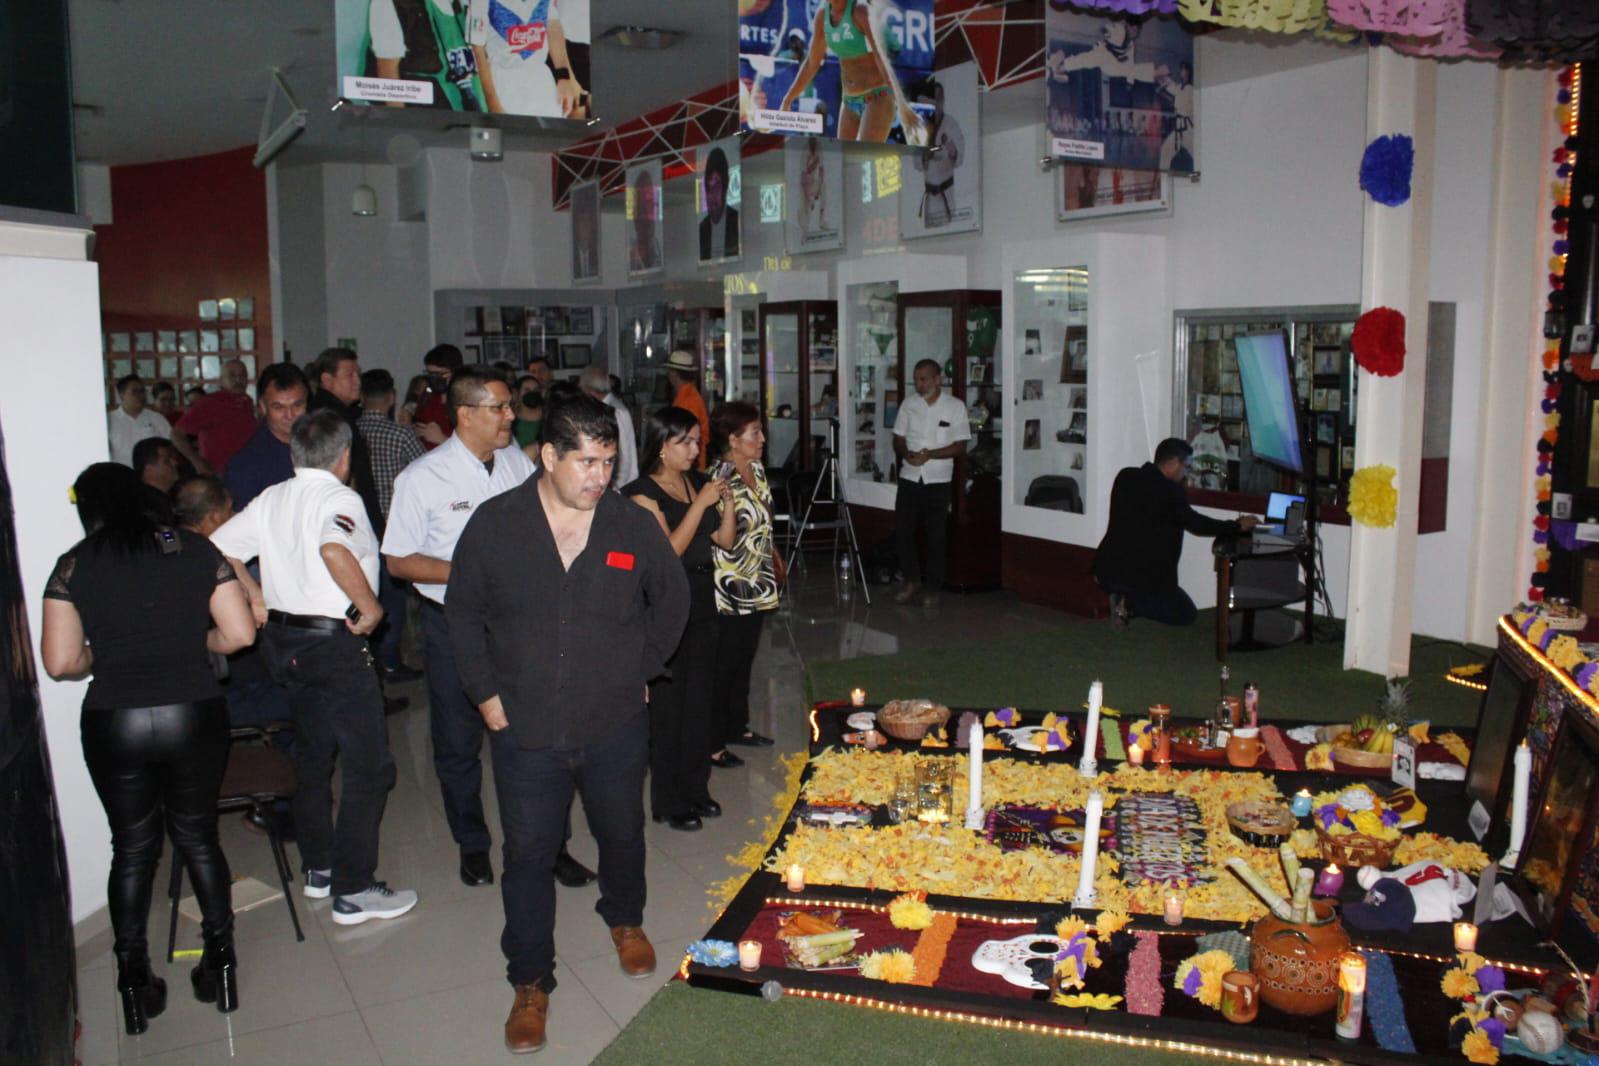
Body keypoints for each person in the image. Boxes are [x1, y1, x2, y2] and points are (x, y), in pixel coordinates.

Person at [446, 394, 689, 1054]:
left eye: (608, 462)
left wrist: (643, 666)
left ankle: (625, 919)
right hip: (524, 727)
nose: (599, 477)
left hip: (613, 720)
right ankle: (530, 982)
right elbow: (462, 613)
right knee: (527, 855)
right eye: (586, 462)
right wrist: (485, 696)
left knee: (621, 833)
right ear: (548, 456)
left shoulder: (629, 524)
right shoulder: (497, 525)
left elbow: (672, 600)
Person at [42, 463, 256, 1034]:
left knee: (132, 849)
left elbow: (61, 662)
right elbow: (239, 635)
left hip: (116, 720)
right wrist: (194, 641)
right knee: (199, 837)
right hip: (192, 712)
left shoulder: (75, 562)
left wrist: (100, 656)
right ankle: (221, 965)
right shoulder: (191, 547)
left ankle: (134, 981)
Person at [209, 410, 419, 926]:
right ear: (345, 456)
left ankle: (320, 868)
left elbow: (217, 549)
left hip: (286, 645)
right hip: (333, 647)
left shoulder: (272, 497)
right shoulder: (340, 498)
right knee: (370, 768)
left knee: (313, 757)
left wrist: (255, 594)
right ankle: (354, 889)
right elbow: (333, 549)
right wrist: (370, 608)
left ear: (294, 453)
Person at [384, 368, 539, 889]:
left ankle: (544, 844)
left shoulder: (516, 463)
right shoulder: (423, 477)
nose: (511, 416)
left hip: (517, 622)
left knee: (530, 736)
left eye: (509, 405)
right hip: (453, 624)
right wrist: (471, 573)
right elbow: (399, 560)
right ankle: (472, 843)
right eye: (500, 407)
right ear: (467, 414)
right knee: (458, 740)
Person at [623, 407, 736, 830]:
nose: (694, 449)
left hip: (703, 597)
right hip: (666, 602)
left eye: (696, 440)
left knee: (700, 701)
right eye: (684, 442)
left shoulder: (697, 482)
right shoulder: (642, 493)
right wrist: (700, 504)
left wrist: (726, 504)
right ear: (661, 446)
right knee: (669, 706)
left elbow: (725, 541)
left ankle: (696, 788)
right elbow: (667, 552)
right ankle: (669, 800)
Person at [1092, 437, 1259, 629]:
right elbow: (1197, 524)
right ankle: (1128, 605)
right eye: (1186, 467)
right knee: (1186, 613)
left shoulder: (1126, 476)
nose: (1187, 473)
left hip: (1106, 569)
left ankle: (1123, 598)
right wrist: (1236, 526)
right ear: (1173, 463)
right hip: (1142, 577)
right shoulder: (1170, 492)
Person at [706, 402, 779, 769]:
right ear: (733, 440)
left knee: (745, 660)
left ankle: (738, 726)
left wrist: (773, 556)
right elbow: (720, 534)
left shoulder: (757, 470)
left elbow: (764, 521)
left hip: (758, 579)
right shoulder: (718, 480)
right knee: (724, 664)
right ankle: (712, 741)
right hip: (731, 584)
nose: (762, 438)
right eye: (755, 433)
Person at [358, 368, 427, 683]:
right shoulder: (401, 435)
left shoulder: (352, 430)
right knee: (393, 599)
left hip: (360, 526)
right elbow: (425, 472)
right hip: (395, 526)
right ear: (390, 397)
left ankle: (370, 659)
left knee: (365, 593)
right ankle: (389, 659)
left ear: (362, 397)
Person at [779, 0, 923, 144]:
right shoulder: (822, 16)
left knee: (862, 156)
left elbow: (881, 59)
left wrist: (902, 104)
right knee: (843, 157)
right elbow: (812, 63)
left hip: (877, 96)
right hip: (849, 102)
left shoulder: (860, 10)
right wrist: (788, 99)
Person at [891, 359, 970, 607]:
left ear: (938, 379)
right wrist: (906, 454)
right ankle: (911, 580)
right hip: (909, 476)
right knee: (903, 531)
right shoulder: (909, 404)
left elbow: (960, 446)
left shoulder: (955, 406)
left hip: (938, 479)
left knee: (936, 535)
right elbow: (898, 438)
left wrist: (931, 455)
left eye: (924, 379)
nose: (919, 384)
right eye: (916, 379)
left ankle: (933, 588)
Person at [307, 347, 385, 537]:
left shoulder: (340, 413)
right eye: (350, 376)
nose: (357, 382)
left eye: (358, 375)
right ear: (327, 380)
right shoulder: (327, 419)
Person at [468, 0, 587, 118]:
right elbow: (477, 50)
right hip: (502, 85)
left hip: (541, 82)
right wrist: (492, 104)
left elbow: (552, 23)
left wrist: (564, 76)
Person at [365, 0, 482, 111]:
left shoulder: (467, 4)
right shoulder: (387, 4)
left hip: (473, 112)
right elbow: (389, 79)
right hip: (430, 117)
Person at [225, 363, 309, 510]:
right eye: (279, 407)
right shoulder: (247, 464)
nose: (290, 415)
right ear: (263, 407)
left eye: (297, 405)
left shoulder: (321, 445)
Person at [171, 359, 257, 476]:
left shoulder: (247, 402)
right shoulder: (210, 402)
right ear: (221, 380)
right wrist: (197, 462)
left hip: (247, 471)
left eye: (242, 375)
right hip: (220, 474)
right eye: (232, 376)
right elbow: (176, 434)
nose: (238, 380)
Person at [911, 77, 965, 229]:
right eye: (933, 100)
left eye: (938, 99)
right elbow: (916, 164)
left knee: (950, 230)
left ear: (943, 100)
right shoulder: (922, 127)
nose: (936, 104)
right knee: (930, 232)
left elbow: (960, 159)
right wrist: (924, 156)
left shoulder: (951, 124)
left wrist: (953, 152)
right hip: (929, 195)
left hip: (946, 192)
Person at [579, 365, 638, 486]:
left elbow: (623, 457)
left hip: (621, 486)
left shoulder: (614, 411)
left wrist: (615, 488)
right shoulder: (610, 407)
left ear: (588, 389)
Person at [107, 374, 171, 467]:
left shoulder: (157, 419)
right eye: (135, 392)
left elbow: (169, 447)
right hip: (120, 472)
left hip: (151, 473)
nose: (141, 396)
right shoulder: (109, 420)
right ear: (121, 395)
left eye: (142, 391)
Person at [665, 350, 709, 469]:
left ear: (674, 374)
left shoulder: (687, 399)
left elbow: (687, 436)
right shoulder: (686, 395)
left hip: (690, 462)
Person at [413, 344, 462, 448]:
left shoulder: (467, 400)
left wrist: (442, 439)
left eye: (440, 374)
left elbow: (475, 447)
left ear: (456, 372)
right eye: (430, 373)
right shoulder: (427, 396)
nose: (434, 378)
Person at [698, 145, 740, 262]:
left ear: (725, 188)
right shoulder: (702, 229)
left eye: (716, 186)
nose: (711, 196)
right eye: (708, 188)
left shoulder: (737, 221)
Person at [628, 168, 662, 273]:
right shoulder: (630, 254)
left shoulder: (660, 248)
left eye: (650, 203)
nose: (647, 214)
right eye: (642, 207)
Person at [512, 373, 543, 455]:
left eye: (536, 390)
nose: (532, 393)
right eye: (527, 390)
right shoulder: (511, 421)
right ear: (518, 394)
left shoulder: (548, 418)